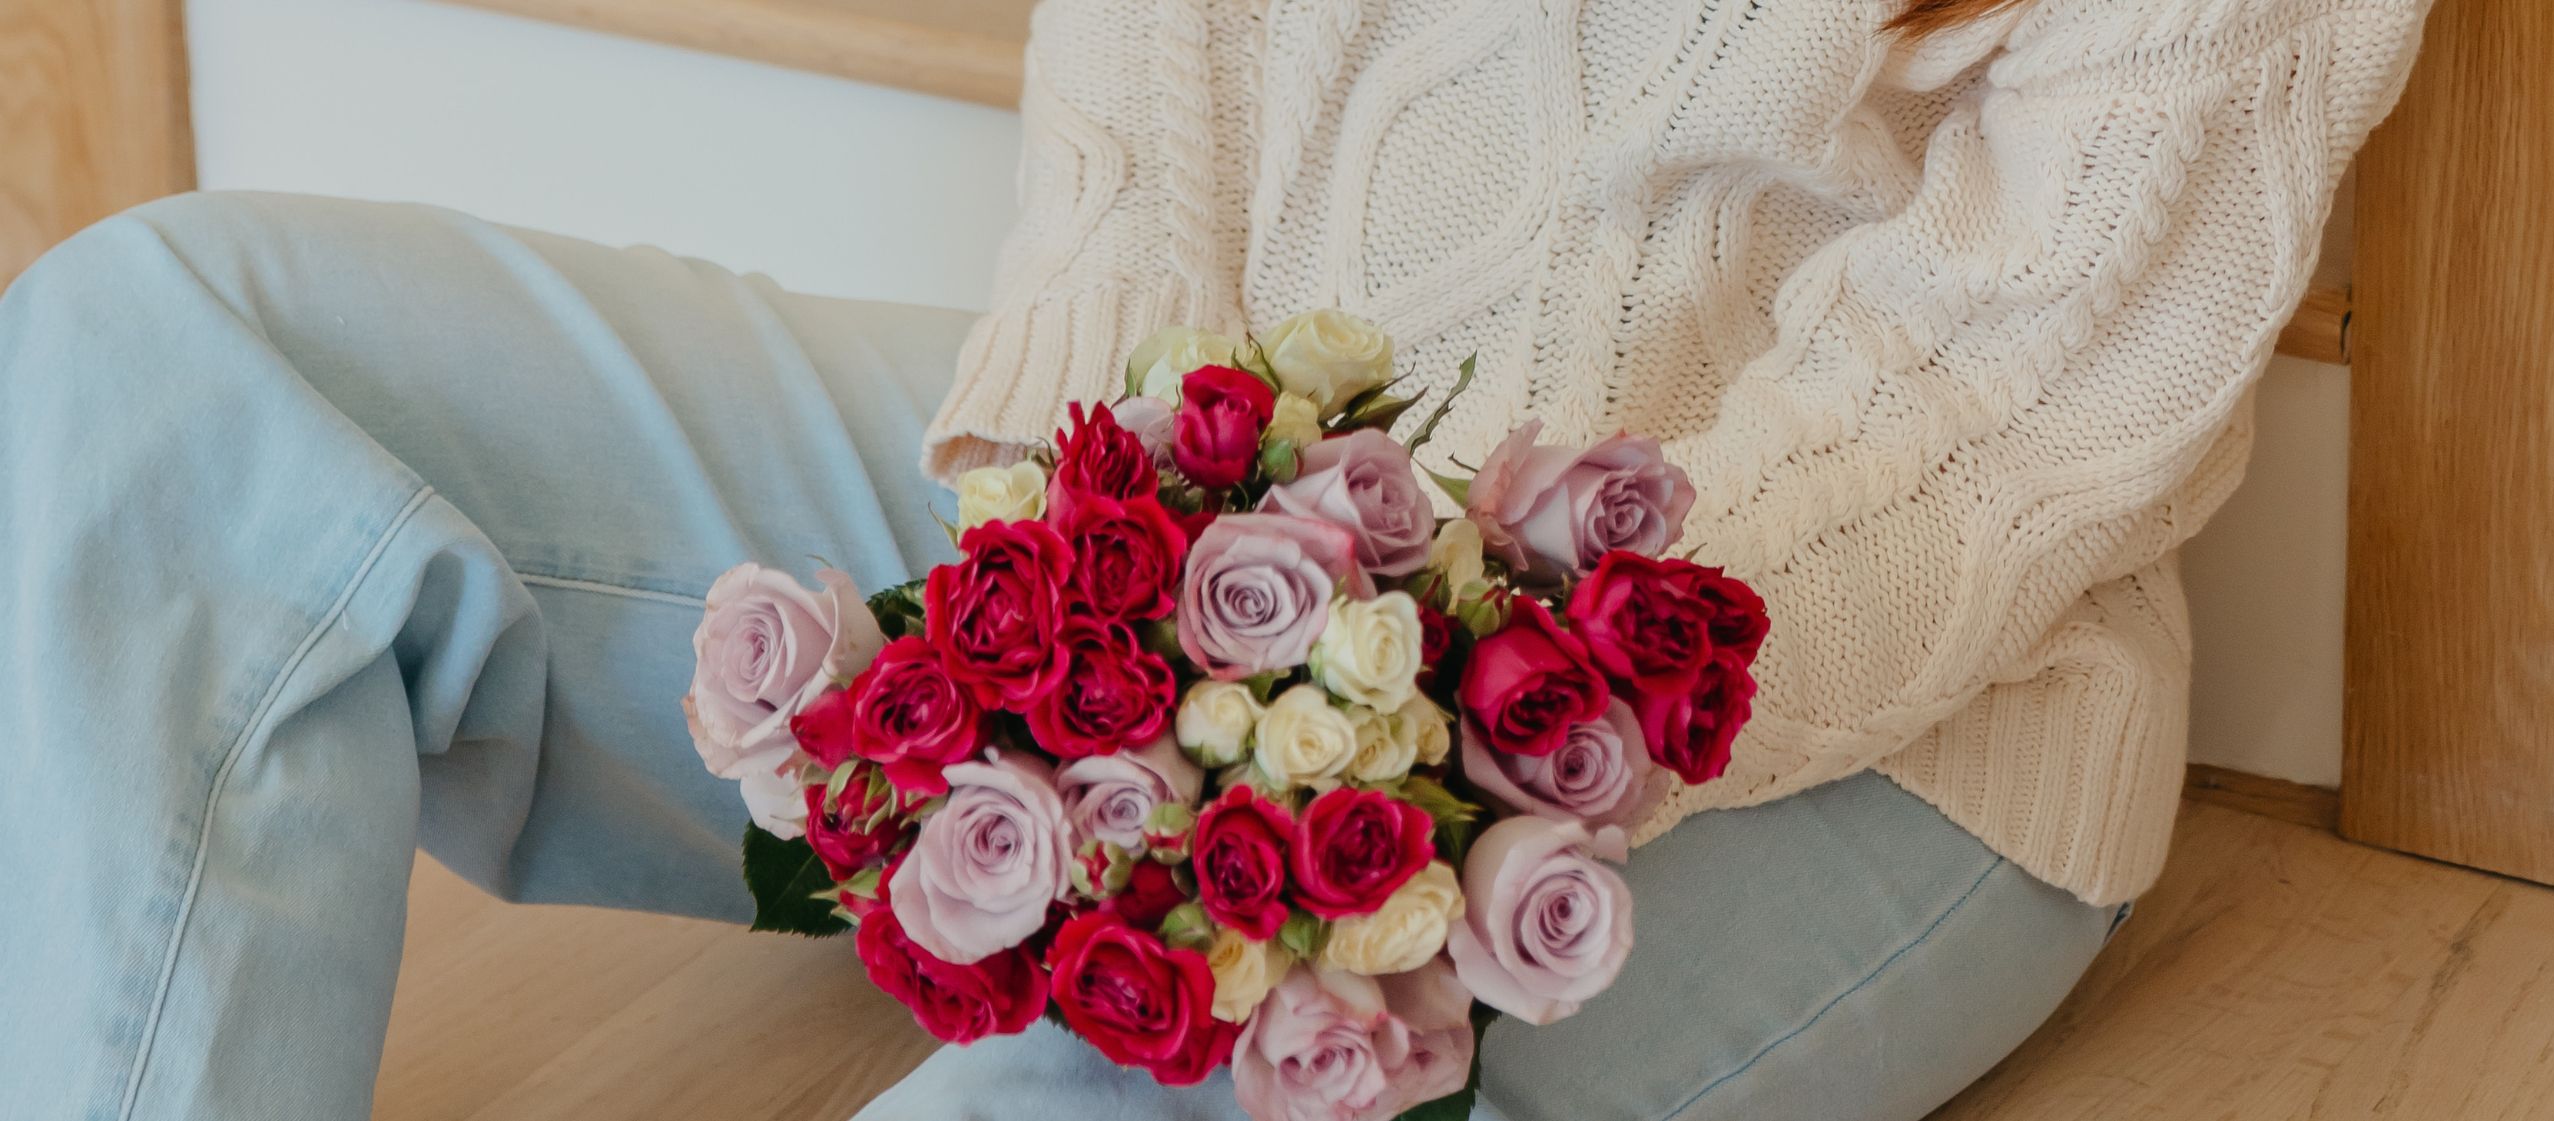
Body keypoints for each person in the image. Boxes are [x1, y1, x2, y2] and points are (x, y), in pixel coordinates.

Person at [0, 0, 2422, 1116]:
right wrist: (1071, 608)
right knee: (177, 364)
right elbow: (1148, 125)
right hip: (1221, 513)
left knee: (1126, 1090)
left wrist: (1372, 752)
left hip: (1822, 698)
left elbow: (1990, 424)